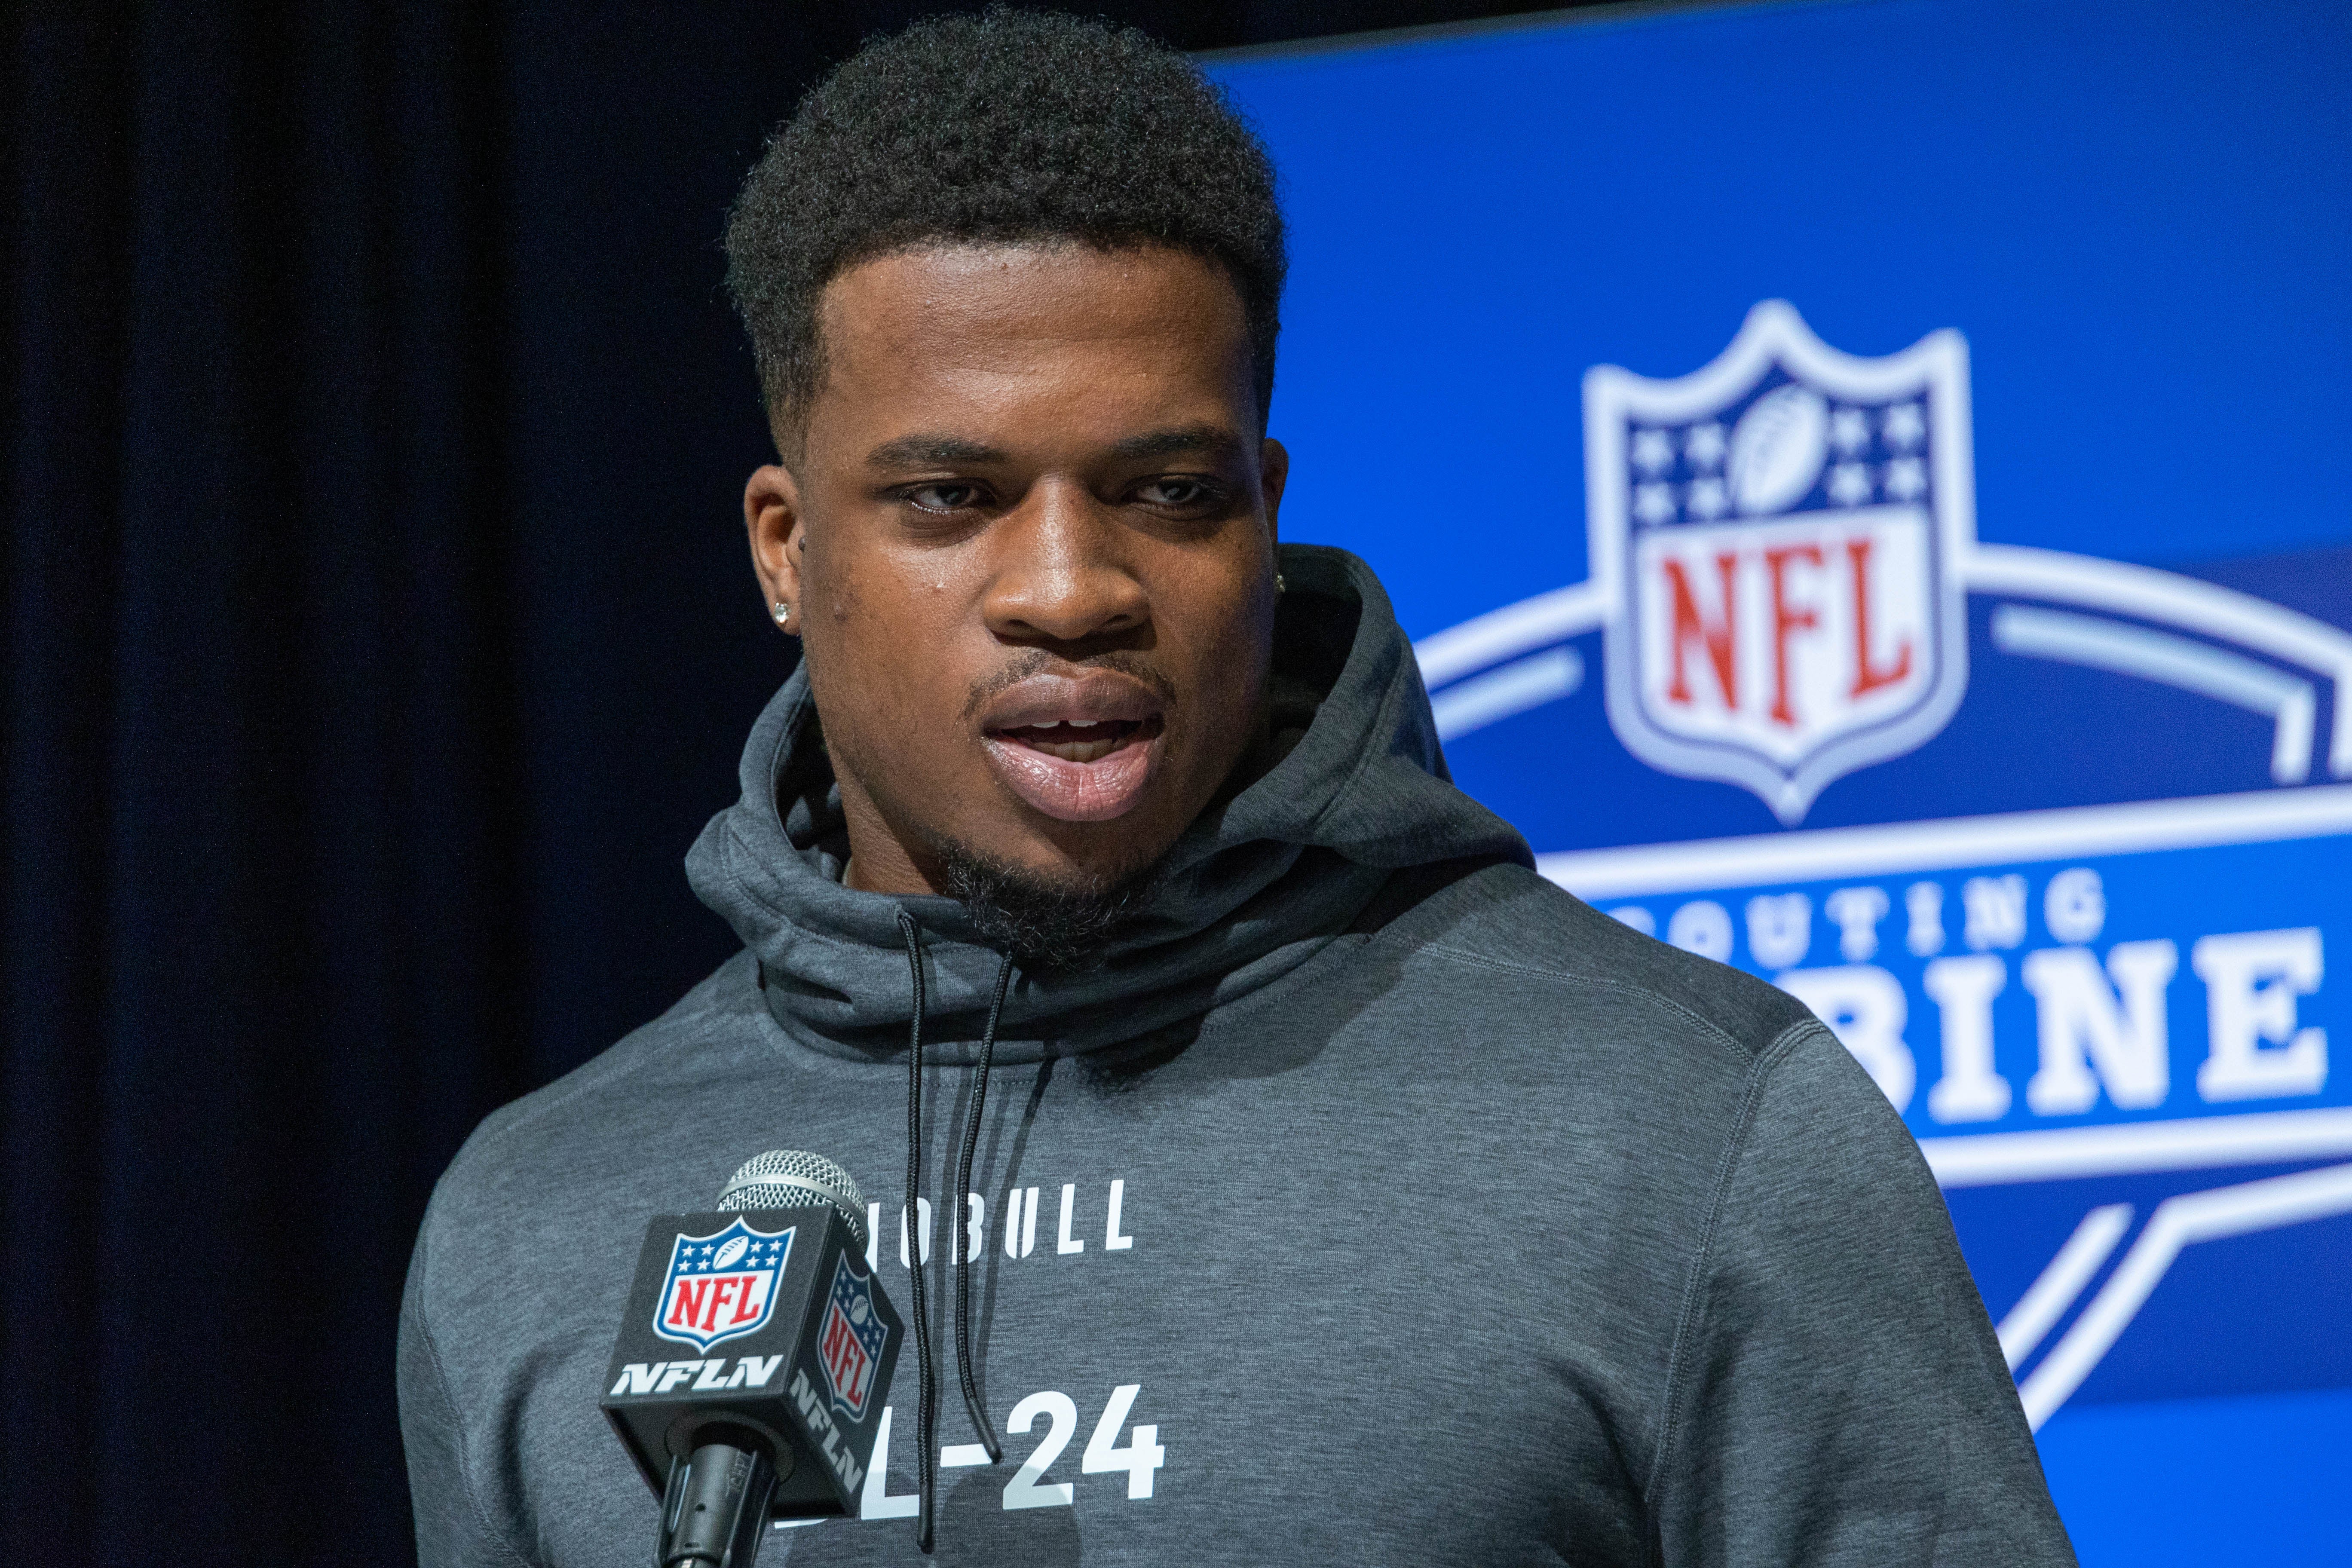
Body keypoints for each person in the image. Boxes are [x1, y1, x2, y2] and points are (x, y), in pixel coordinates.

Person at [398, 12, 2076, 1566]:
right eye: (951, 498)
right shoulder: (537, 1226)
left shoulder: (1689, 1129)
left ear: (1262, 512)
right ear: (787, 548)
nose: (1070, 587)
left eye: (1168, 490)